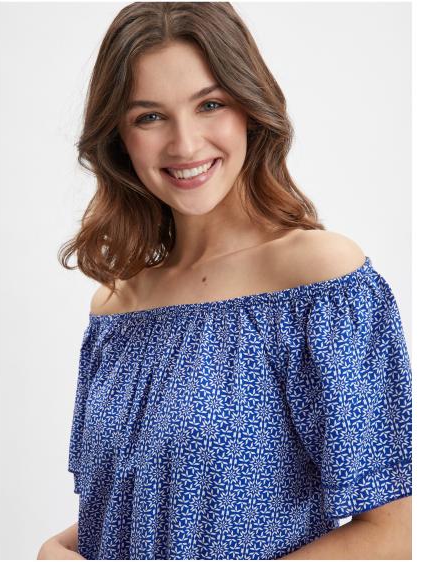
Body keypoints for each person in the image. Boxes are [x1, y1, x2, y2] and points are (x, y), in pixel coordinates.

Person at [37, 2, 412, 560]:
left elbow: (389, 535)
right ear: (119, 137)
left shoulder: (320, 284)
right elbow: (133, 504)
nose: (185, 145)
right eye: (149, 116)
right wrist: (55, 549)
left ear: (250, 110)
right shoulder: (116, 308)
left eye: (209, 104)